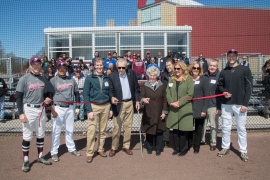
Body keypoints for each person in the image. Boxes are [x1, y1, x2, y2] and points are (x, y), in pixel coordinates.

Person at [16, 56, 53, 172]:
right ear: (31, 65)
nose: (37, 66)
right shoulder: (24, 79)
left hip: (40, 109)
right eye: (34, 64)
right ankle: (26, 160)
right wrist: (21, 113)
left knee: (41, 134)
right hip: (29, 109)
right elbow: (18, 97)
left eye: (38, 64)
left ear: (40, 65)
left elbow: (48, 93)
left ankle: (40, 156)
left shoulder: (43, 79)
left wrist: (47, 99)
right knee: (27, 136)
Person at [216, 49, 252, 162]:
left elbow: (249, 87)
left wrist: (245, 103)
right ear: (227, 57)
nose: (231, 58)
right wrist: (224, 92)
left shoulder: (244, 69)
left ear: (237, 57)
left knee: (241, 128)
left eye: (233, 56)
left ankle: (243, 150)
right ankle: (225, 147)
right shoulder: (224, 71)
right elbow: (219, 86)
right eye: (229, 56)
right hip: (226, 104)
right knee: (226, 127)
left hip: (240, 104)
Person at [50, 61, 81, 162]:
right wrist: (51, 108)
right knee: (56, 130)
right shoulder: (53, 80)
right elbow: (49, 95)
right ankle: (54, 152)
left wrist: (77, 107)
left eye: (64, 68)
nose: (62, 70)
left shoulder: (71, 80)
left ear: (66, 69)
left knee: (70, 130)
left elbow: (77, 93)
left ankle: (71, 148)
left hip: (69, 107)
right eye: (60, 68)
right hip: (57, 108)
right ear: (57, 69)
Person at [108, 59, 140, 157]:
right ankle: (114, 147)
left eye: (123, 67)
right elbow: (110, 90)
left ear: (126, 67)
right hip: (118, 104)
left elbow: (136, 88)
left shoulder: (131, 73)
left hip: (129, 103)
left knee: (128, 127)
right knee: (117, 127)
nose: (121, 69)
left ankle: (126, 146)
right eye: (119, 68)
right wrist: (112, 97)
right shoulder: (111, 76)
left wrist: (137, 100)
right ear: (116, 67)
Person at [83, 58, 112, 163]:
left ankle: (101, 149)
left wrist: (111, 109)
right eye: (98, 65)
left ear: (103, 66)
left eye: (101, 65)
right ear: (94, 66)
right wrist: (89, 110)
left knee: (103, 130)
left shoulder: (107, 78)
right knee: (92, 131)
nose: (100, 67)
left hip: (106, 106)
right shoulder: (89, 78)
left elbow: (110, 94)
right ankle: (90, 153)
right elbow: (85, 95)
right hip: (94, 106)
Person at [166, 61, 194, 156]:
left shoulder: (188, 79)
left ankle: (184, 148)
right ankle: (177, 148)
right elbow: (168, 92)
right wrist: (171, 102)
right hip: (173, 108)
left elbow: (190, 94)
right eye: (175, 69)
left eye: (179, 68)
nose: (177, 70)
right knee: (175, 130)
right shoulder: (171, 80)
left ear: (183, 69)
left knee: (183, 130)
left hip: (184, 107)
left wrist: (180, 102)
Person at [139, 66, 167, 156]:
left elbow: (165, 99)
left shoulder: (161, 85)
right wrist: (143, 100)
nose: (152, 77)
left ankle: (159, 148)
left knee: (159, 131)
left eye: (154, 75)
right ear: (148, 75)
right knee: (149, 130)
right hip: (149, 112)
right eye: (150, 75)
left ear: (157, 76)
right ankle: (149, 147)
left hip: (159, 111)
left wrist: (164, 112)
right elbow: (140, 97)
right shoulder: (145, 85)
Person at [189, 61, 210, 154]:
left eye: (198, 68)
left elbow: (207, 96)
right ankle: (189, 144)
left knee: (199, 128)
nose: (196, 70)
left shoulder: (204, 80)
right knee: (188, 128)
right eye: (194, 68)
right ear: (191, 69)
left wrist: (204, 109)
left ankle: (196, 146)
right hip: (189, 107)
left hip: (200, 107)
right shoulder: (188, 79)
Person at [202, 59, 220, 151]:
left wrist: (219, 107)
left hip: (214, 105)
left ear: (217, 67)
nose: (212, 67)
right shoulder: (204, 75)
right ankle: (202, 140)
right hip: (204, 104)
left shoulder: (219, 76)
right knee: (203, 124)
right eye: (210, 65)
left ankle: (213, 142)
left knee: (213, 125)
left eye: (214, 66)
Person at [161, 59, 174, 145]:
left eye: (169, 65)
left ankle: (176, 138)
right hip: (166, 101)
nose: (168, 67)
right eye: (167, 65)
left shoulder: (178, 74)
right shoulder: (164, 75)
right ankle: (166, 139)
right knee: (165, 119)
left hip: (176, 100)